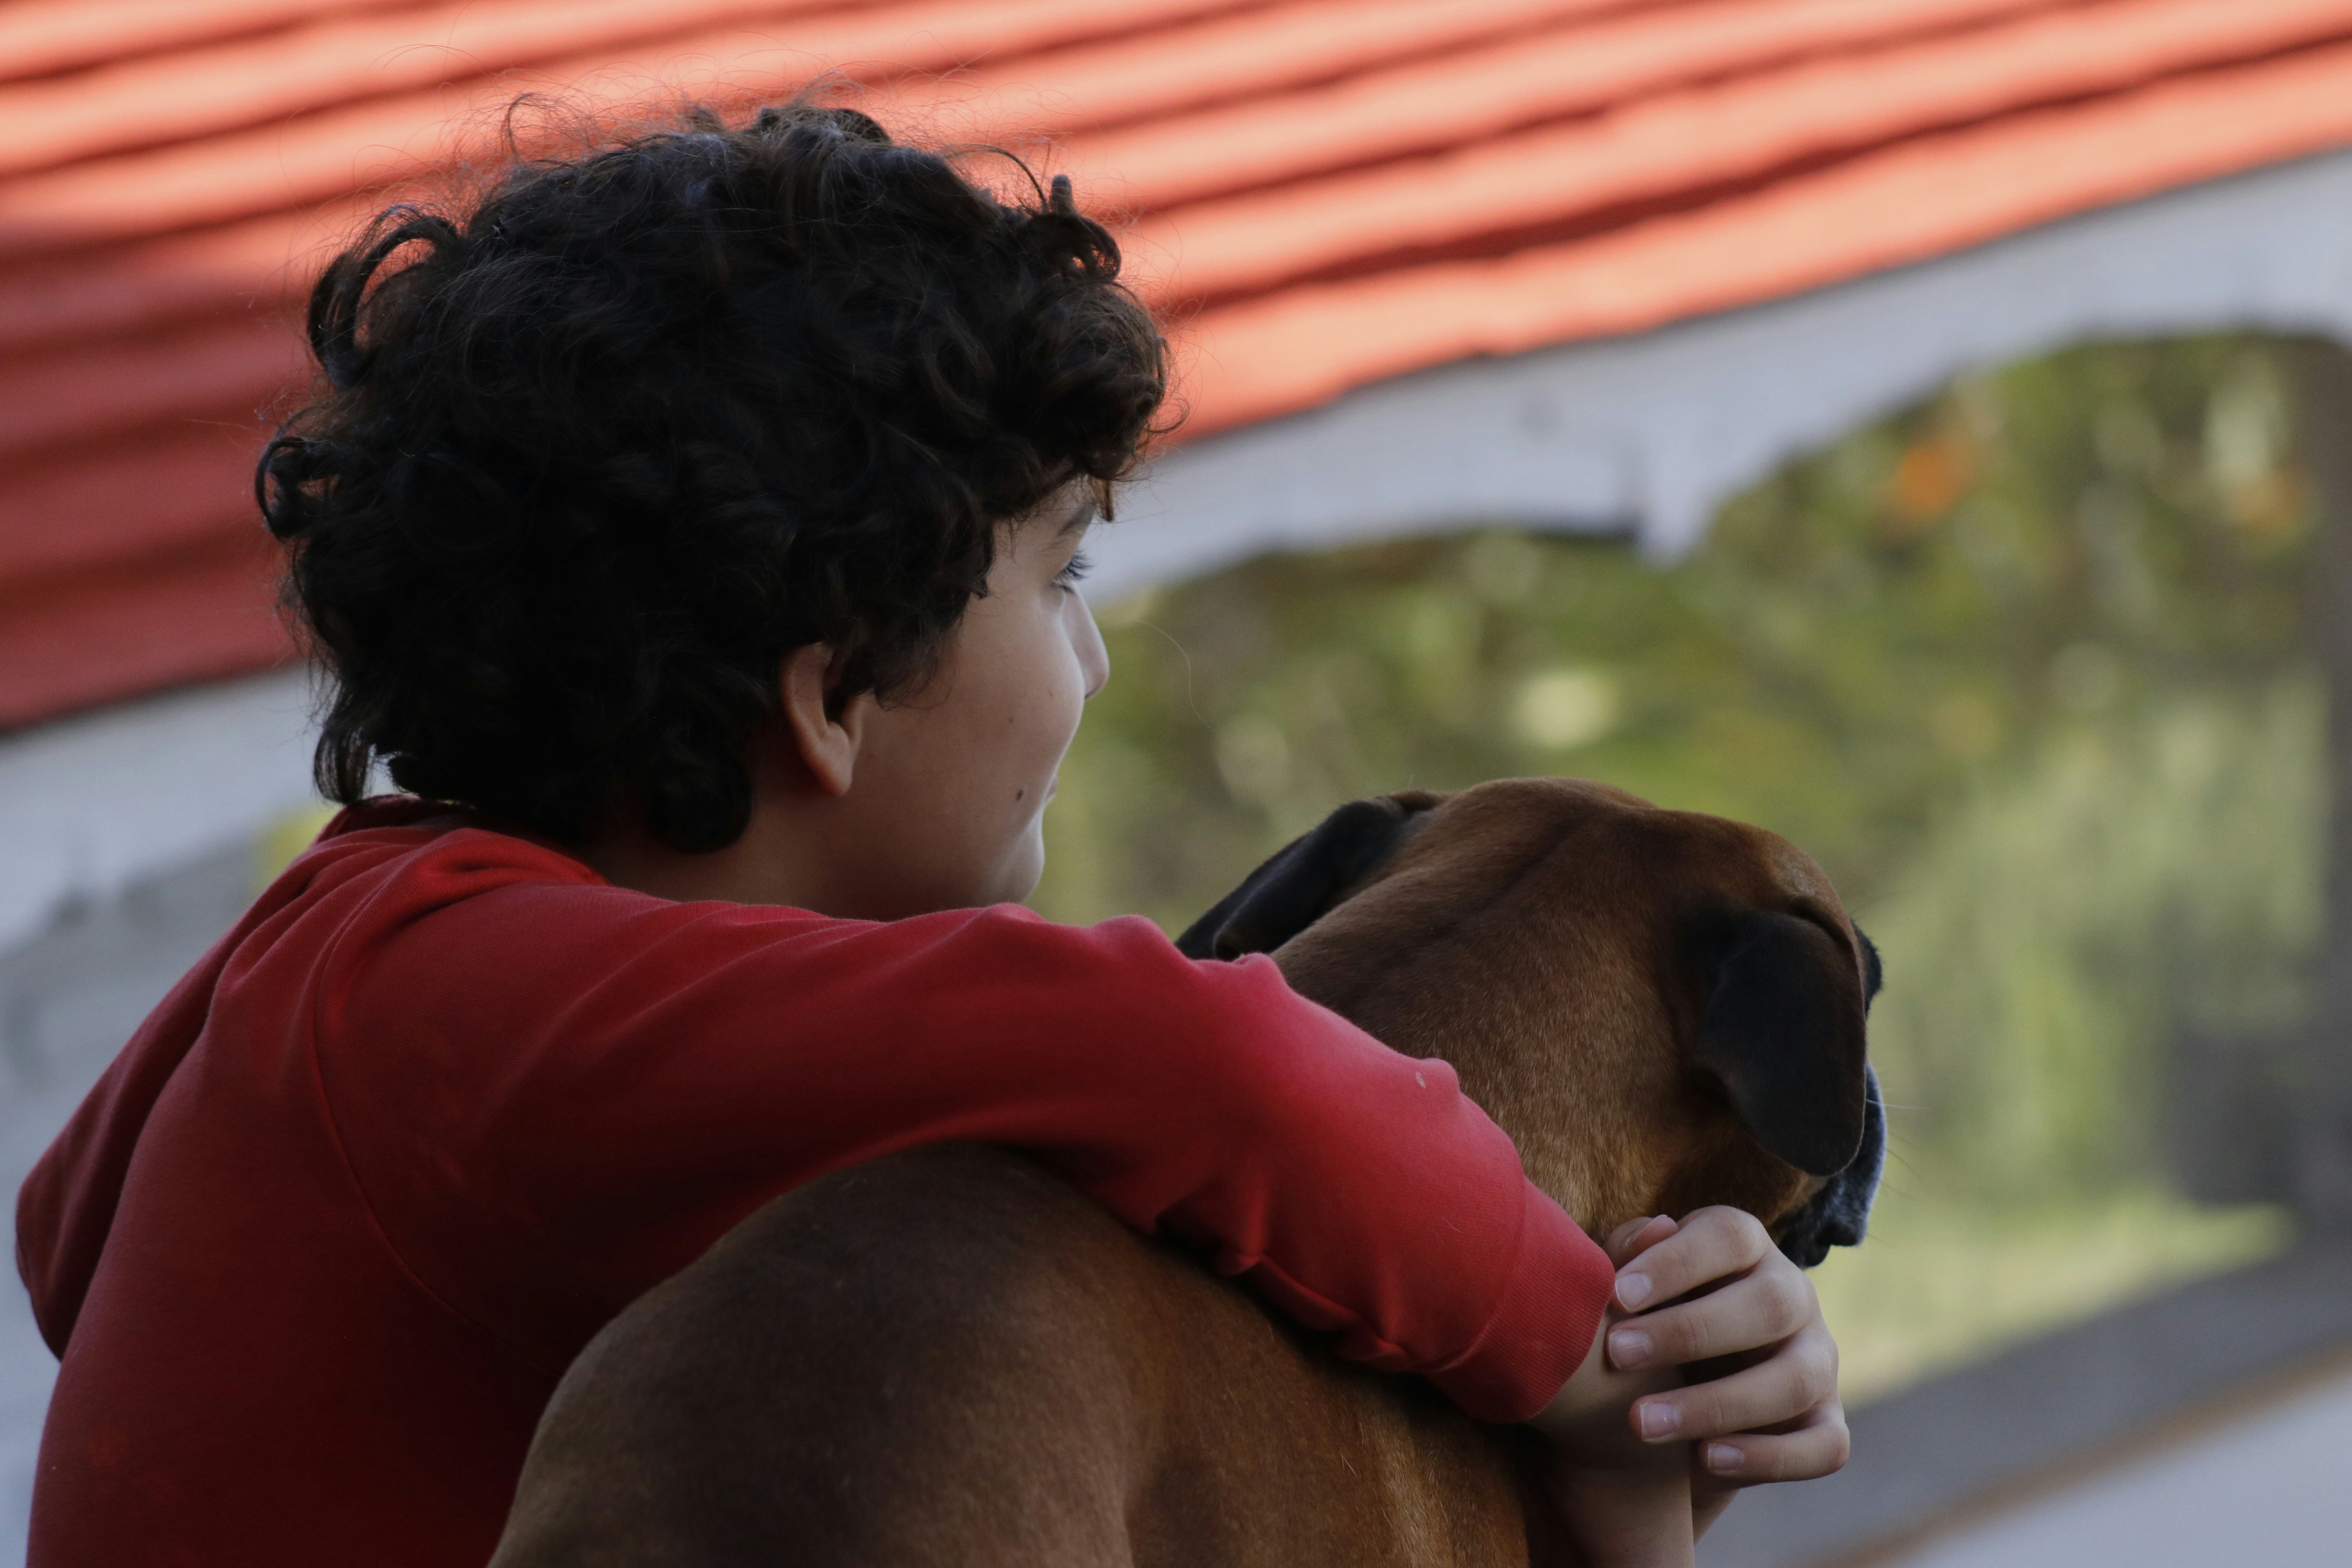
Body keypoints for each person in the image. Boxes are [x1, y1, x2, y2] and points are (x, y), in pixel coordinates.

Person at [14, 100, 1845, 1566]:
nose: (1098, 649)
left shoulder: (341, 948)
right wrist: (1584, 1352)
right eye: (1059, 579)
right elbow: (1180, 1060)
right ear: (830, 698)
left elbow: (61, 1230)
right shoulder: (465, 1003)